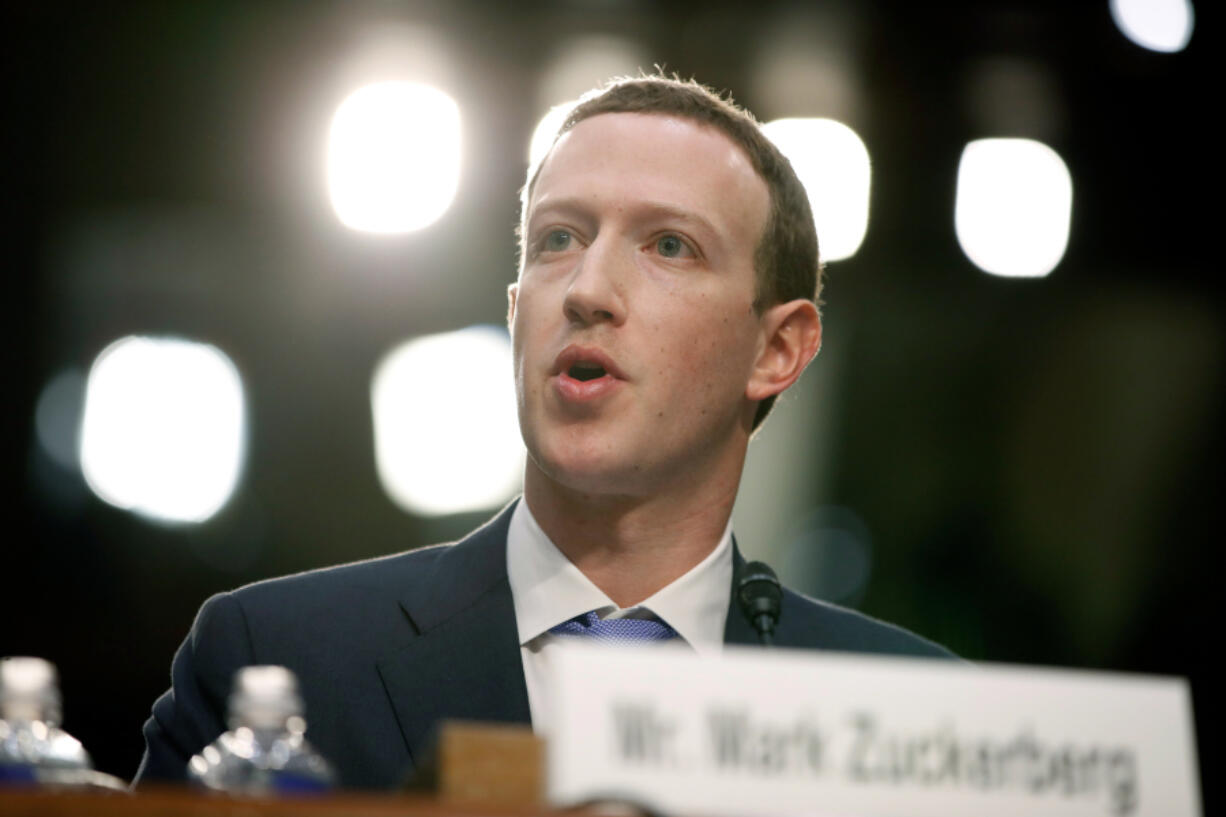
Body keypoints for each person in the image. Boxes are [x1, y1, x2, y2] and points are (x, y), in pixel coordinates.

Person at [135, 74, 952, 790]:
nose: (587, 288)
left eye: (669, 246)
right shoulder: (278, 656)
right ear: (514, 308)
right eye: (558, 239)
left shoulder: (912, 710)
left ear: (777, 350)